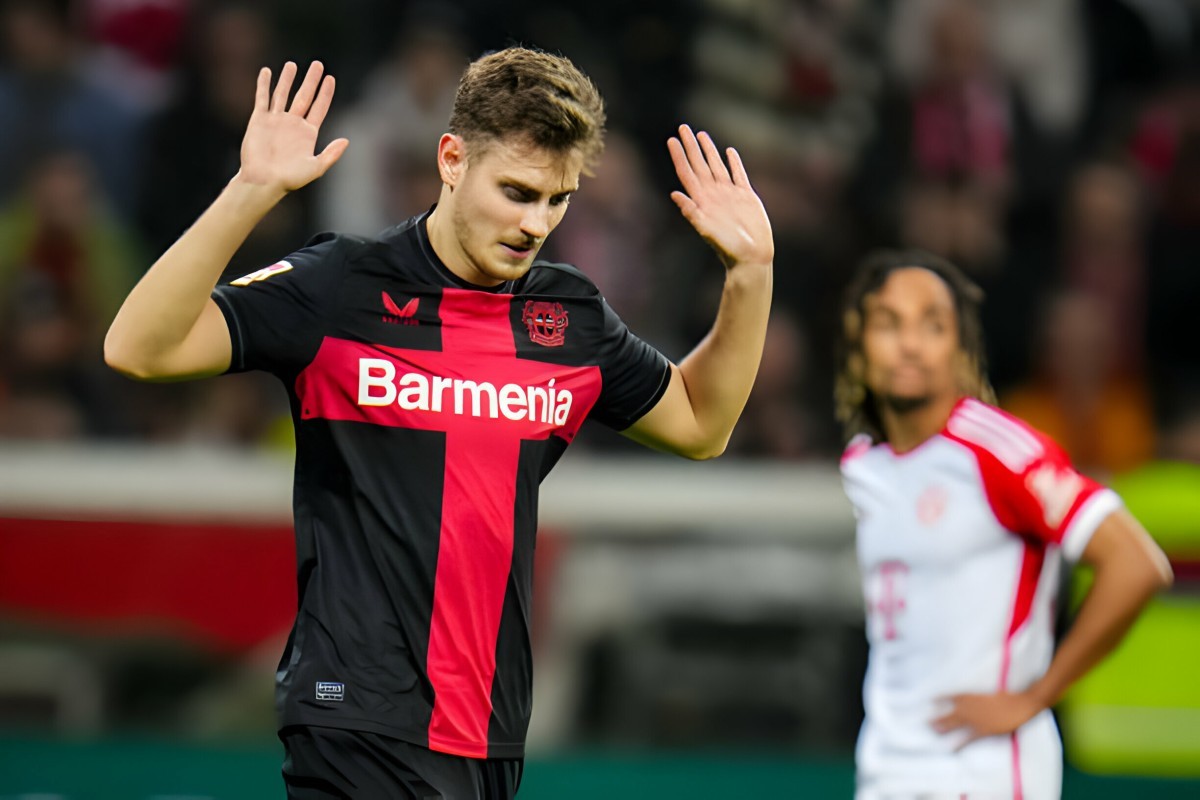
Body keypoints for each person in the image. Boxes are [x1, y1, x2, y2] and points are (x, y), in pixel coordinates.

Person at [104, 49, 773, 798]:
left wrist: (750, 276)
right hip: (357, 718)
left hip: (489, 728)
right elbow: (139, 348)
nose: (534, 224)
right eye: (517, 192)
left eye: (557, 200)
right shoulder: (341, 287)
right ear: (452, 159)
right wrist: (250, 191)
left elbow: (700, 424)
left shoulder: (568, 319)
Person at [834, 250, 1172, 800]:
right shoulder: (864, 465)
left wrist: (1036, 697)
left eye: (932, 325)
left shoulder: (998, 453)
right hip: (887, 767)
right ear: (858, 344)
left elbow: (1137, 564)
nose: (910, 344)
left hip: (982, 770)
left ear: (961, 347)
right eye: (889, 323)